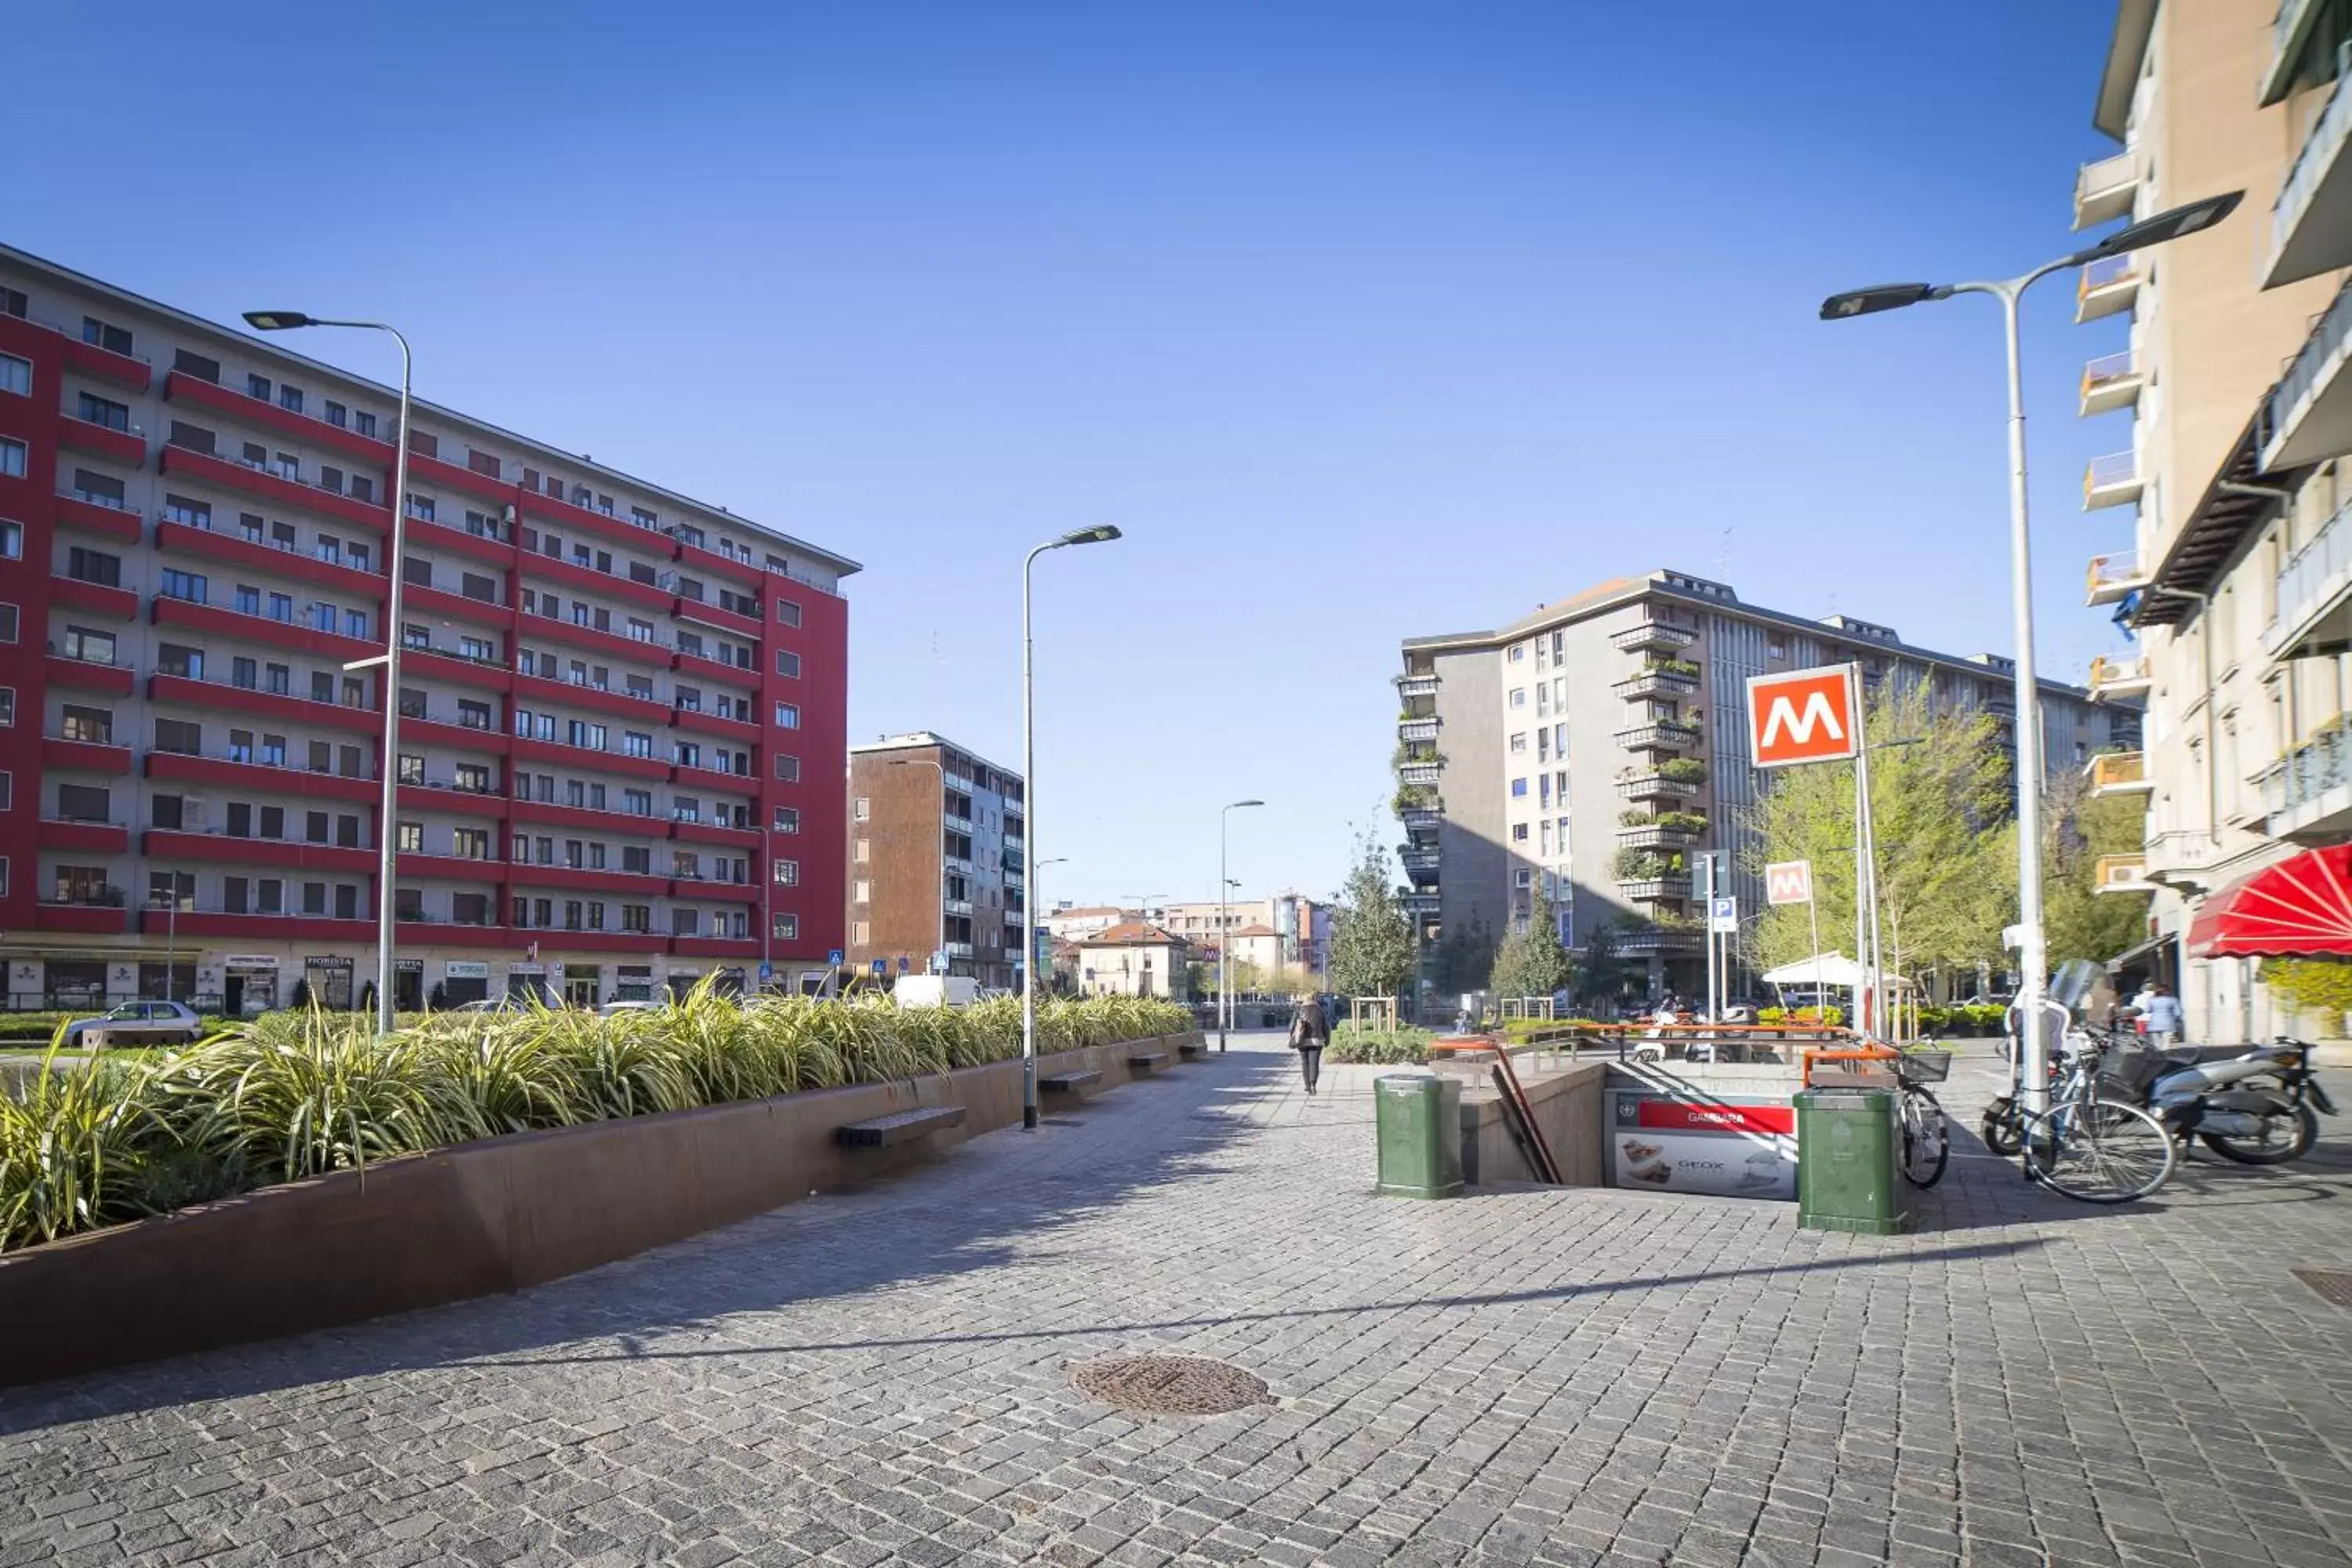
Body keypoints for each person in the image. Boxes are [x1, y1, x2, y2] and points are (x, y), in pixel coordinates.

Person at [1289, 993, 1330, 1096]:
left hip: (1302, 1040)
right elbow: (1326, 1027)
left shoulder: (1299, 1010)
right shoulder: (1320, 1010)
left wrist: (1293, 1037)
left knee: (1305, 1062)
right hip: (1317, 1040)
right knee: (1314, 1063)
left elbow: (1292, 1026)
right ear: (1315, 999)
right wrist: (1327, 1040)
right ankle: (1313, 1085)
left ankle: (1307, 1085)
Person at [2140, 981, 2184, 1048]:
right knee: (2166, 1045)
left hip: (2154, 1023)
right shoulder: (2173, 1000)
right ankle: (2165, 1056)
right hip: (2168, 1024)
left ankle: (2158, 1056)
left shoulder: (2151, 1000)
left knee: (2157, 1045)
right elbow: (2178, 1013)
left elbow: (2147, 1010)